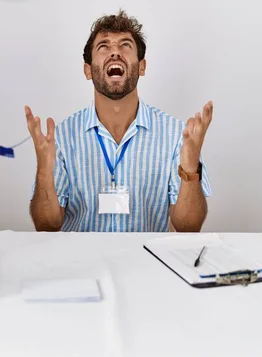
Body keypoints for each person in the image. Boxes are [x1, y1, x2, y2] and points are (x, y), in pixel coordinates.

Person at [25, 9, 213, 233]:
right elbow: (46, 225)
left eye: (125, 45)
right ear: (88, 71)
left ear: (141, 67)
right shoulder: (62, 137)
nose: (115, 52)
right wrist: (45, 171)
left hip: (146, 262)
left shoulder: (175, 135)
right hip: (80, 263)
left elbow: (189, 226)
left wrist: (190, 169)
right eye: (103, 46)